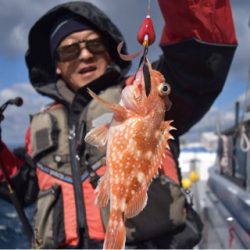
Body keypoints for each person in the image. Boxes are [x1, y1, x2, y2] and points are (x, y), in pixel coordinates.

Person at [0, 0, 237, 249]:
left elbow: (199, 61)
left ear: (109, 51)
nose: (85, 54)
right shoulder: (40, 125)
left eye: (94, 44)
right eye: (70, 50)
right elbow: (22, 187)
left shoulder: (148, 94)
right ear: (56, 66)